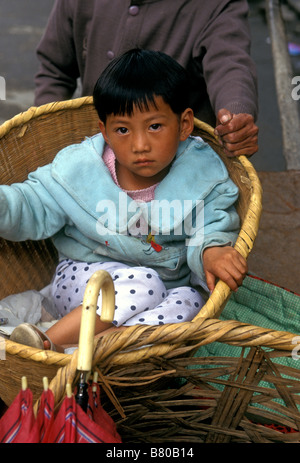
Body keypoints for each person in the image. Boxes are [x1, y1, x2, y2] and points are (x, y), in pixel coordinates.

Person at [10, 49, 247, 351]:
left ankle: (98, 348)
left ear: (184, 124)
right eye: (122, 129)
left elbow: (212, 225)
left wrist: (212, 250)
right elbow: (30, 204)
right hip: (85, 282)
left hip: (161, 294)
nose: (139, 145)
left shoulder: (202, 175)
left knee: (190, 302)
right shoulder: (79, 171)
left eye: (155, 127)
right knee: (144, 283)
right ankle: (45, 343)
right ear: (105, 132)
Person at [34, 0, 259, 158]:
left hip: (180, 156)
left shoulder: (215, 5)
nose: (139, 147)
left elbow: (231, 64)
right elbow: (54, 70)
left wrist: (234, 114)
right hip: (95, 144)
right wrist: (48, 136)